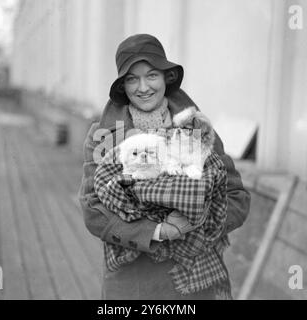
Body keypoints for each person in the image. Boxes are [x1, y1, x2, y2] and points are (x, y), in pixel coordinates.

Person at [78, 34, 251, 300]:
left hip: (195, 281)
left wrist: (195, 228)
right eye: (132, 78)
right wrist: (158, 232)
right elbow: (93, 211)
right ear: (122, 86)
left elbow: (237, 198)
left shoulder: (196, 128)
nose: (143, 87)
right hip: (133, 284)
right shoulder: (102, 136)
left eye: (152, 75)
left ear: (166, 78)